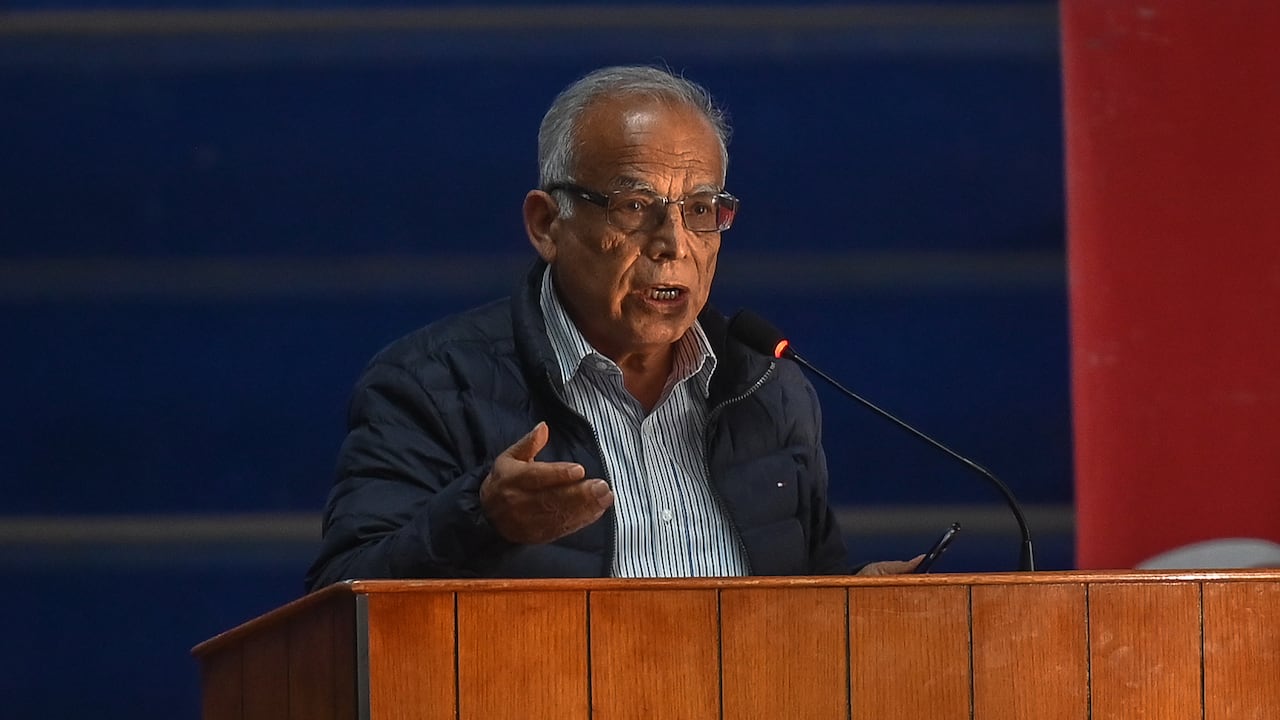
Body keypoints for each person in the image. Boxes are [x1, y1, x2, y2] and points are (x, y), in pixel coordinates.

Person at [305, 65, 918, 590]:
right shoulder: (431, 387)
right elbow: (341, 600)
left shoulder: (771, 392)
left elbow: (807, 594)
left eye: (701, 210)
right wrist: (480, 518)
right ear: (548, 224)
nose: (673, 244)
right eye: (633, 207)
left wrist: (851, 607)